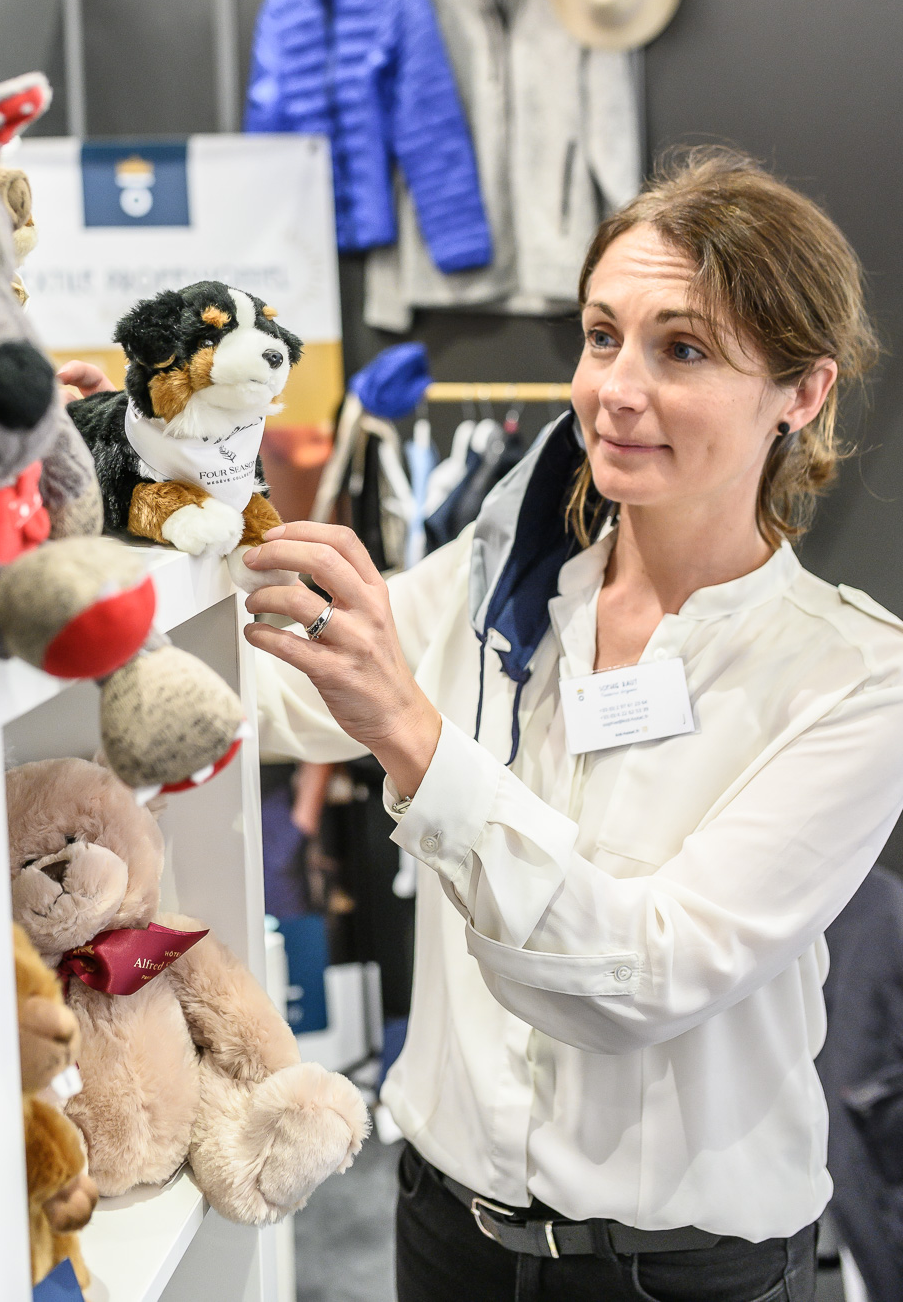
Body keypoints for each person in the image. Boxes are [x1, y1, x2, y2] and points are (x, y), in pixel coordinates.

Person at [98, 150, 903, 1300]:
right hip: (445, 1234)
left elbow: (642, 978)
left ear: (802, 393)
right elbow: (252, 699)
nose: (615, 388)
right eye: (600, 336)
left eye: (681, 349)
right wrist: (114, 491)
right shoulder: (492, 589)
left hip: (678, 1277)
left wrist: (415, 737)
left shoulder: (853, 678)